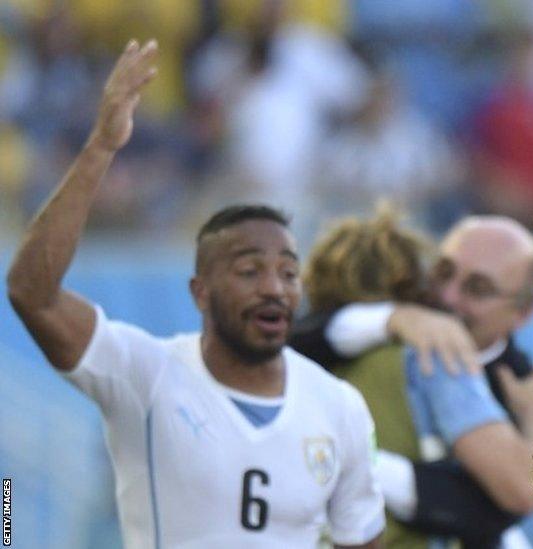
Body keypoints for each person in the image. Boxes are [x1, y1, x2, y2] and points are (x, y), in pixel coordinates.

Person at [5, 41, 384, 548]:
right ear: (200, 292)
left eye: (288, 273)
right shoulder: (146, 372)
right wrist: (100, 147)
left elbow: (361, 541)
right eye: (249, 271)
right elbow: (33, 293)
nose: (273, 288)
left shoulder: (339, 406)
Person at [290, 213, 533, 548]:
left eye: (477, 288)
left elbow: (495, 511)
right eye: (443, 272)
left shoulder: (523, 386)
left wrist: (360, 464)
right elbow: (297, 341)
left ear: (524, 311)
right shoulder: (408, 343)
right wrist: (394, 318)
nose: (449, 297)